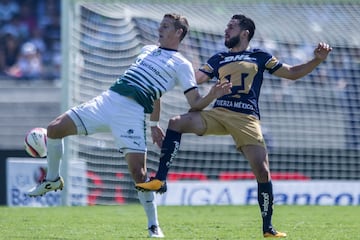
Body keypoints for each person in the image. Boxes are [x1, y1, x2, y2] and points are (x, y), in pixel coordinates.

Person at [27, 13, 232, 238]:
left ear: (178, 32)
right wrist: (154, 123)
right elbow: (154, 93)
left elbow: (193, 103)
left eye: (165, 26)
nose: (159, 30)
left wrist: (212, 94)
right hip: (107, 101)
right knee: (55, 128)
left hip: (132, 115)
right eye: (160, 26)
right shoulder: (146, 49)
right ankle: (53, 179)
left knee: (139, 173)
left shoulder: (182, 65)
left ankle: (154, 225)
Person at [136, 14, 332, 238]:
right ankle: (160, 180)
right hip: (218, 113)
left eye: (231, 27)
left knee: (262, 171)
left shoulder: (260, 56)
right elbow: (194, 79)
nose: (225, 31)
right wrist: (166, 66)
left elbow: (292, 73)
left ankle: (268, 228)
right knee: (176, 122)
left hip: (246, 118)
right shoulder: (218, 58)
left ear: (245, 33)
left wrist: (317, 60)